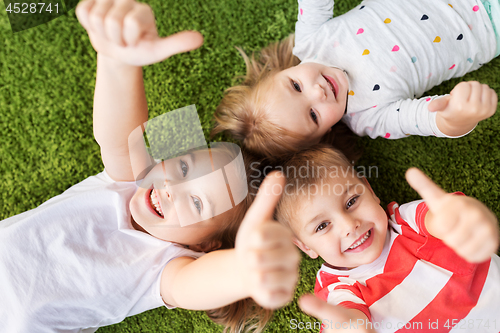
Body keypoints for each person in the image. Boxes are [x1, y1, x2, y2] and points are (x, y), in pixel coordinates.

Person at [0, 1, 300, 332]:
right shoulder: (127, 181)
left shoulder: (166, 266)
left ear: (203, 246)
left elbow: (195, 285)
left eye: (197, 203)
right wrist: (119, 62)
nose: (171, 187)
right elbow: (120, 134)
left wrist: (244, 271)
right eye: (184, 168)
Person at [212, 0, 498, 159]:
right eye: (312, 115)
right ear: (324, 134)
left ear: (280, 71)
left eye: (296, 86)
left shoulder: (310, 43)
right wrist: (457, 116)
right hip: (487, 28)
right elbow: (426, 119)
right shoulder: (368, 117)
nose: (318, 91)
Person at [273, 145, 500, 332]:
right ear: (305, 246)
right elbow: (346, 319)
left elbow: (441, 218)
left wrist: (457, 218)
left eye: (351, 202)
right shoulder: (338, 287)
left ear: (370, 191)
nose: (349, 226)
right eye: (322, 226)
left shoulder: (405, 222)